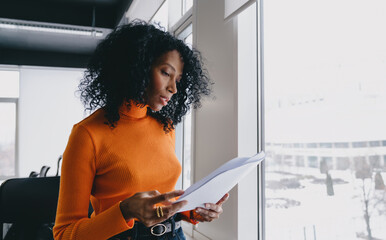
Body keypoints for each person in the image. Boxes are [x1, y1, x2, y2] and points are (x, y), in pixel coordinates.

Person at [53, 21, 229, 240]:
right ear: (137, 67)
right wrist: (125, 211)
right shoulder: (87, 134)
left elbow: (159, 205)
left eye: (178, 80)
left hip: (173, 234)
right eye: (166, 73)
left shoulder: (165, 126)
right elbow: (64, 234)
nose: (173, 88)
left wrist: (192, 210)